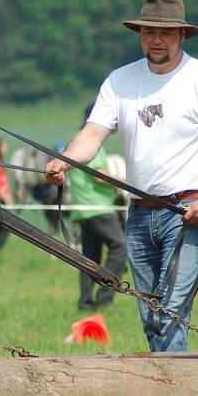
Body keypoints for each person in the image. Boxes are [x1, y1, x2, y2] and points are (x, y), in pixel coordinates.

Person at [46, 0, 198, 351]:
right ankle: (173, 394)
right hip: (138, 213)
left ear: (182, 36)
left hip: (187, 214)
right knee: (150, 316)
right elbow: (92, 134)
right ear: (139, 33)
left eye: (166, 33)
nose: (156, 39)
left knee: (168, 314)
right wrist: (65, 160)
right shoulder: (120, 81)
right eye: (149, 31)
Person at [71, 104, 127, 312]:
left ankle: (85, 302)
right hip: (98, 207)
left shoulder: (77, 139)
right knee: (121, 246)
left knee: (89, 258)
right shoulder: (89, 142)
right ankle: (105, 297)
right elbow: (98, 174)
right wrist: (123, 181)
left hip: (83, 208)